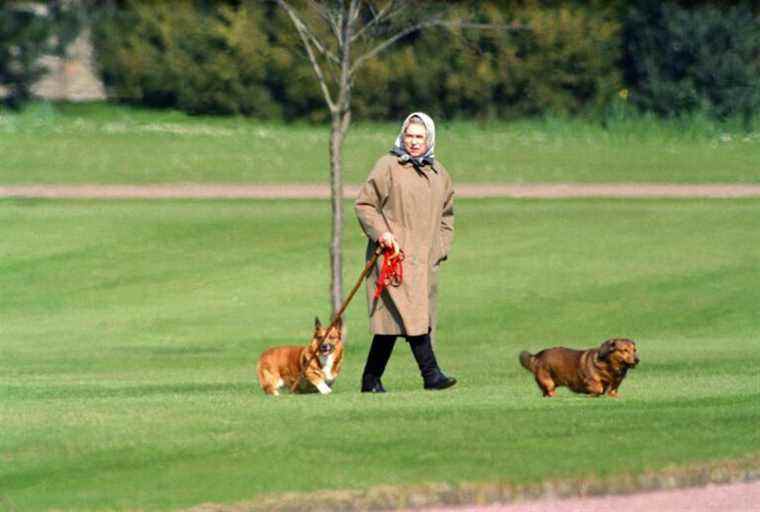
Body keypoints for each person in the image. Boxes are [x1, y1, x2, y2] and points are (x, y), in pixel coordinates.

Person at [354, 112, 457, 392]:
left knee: (393, 323)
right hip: (392, 259)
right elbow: (364, 205)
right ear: (402, 135)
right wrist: (382, 234)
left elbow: (447, 216)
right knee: (414, 316)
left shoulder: (440, 174)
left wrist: (441, 248)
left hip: (424, 261)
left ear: (429, 139)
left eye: (419, 137)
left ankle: (370, 379)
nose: (413, 142)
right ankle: (431, 375)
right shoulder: (387, 166)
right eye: (409, 135)